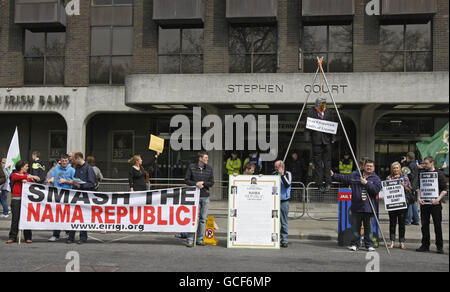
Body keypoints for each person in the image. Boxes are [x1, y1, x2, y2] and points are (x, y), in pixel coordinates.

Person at [331, 159, 382, 252]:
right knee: (355, 228)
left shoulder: (376, 179)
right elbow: (344, 178)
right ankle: (355, 244)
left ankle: (369, 245)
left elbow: (375, 190)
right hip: (356, 206)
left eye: (371, 166)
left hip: (369, 208)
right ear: (364, 166)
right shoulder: (355, 175)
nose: (369, 167)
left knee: (369, 228)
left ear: (374, 168)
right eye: (368, 166)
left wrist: (366, 183)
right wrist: (333, 175)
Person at [416, 156, 447, 254]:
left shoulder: (439, 174)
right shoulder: (422, 174)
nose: (424, 165)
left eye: (426, 163)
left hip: (435, 205)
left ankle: (439, 246)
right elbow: (419, 187)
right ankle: (425, 245)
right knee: (424, 225)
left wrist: (437, 199)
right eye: (424, 163)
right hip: (424, 204)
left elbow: (445, 190)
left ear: (432, 163)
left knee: (437, 226)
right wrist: (419, 198)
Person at [184, 151, 214, 247]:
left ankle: (200, 239)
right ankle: (190, 240)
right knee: (192, 218)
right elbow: (187, 180)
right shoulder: (191, 167)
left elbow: (212, 182)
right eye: (205, 158)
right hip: (193, 196)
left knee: (203, 219)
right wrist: (196, 183)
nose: (207, 160)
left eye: (207, 158)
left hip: (205, 196)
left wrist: (204, 183)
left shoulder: (209, 169)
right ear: (200, 159)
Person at [306, 97, 336, 193]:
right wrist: (307, 138)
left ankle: (328, 183)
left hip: (327, 141)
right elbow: (307, 126)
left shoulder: (329, 112)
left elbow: (332, 125)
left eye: (324, 104)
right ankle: (319, 184)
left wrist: (333, 137)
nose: (323, 105)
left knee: (327, 163)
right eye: (321, 104)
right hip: (317, 141)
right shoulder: (311, 112)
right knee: (318, 163)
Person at [66, 152, 97, 244]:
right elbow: (76, 179)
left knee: (83, 217)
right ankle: (71, 237)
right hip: (76, 194)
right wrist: (75, 183)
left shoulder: (89, 168)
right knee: (74, 216)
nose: (73, 161)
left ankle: (83, 237)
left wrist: (81, 185)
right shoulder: (78, 167)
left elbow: (92, 183)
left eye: (74, 159)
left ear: (78, 158)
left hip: (85, 195)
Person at [7, 160, 40, 244]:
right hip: (16, 200)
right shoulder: (14, 174)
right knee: (15, 219)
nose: (27, 168)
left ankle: (28, 237)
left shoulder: (28, 176)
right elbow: (16, 178)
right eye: (26, 166)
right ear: (21, 167)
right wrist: (27, 177)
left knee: (26, 218)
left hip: (26, 201)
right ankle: (12, 237)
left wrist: (29, 178)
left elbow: (34, 182)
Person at [46, 154, 75, 242]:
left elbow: (76, 182)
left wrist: (65, 181)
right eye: (62, 161)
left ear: (68, 161)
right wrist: (50, 180)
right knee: (57, 215)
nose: (64, 163)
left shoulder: (72, 170)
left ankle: (68, 233)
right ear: (60, 161)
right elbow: (54, 177)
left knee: (67, 214)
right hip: (57, 194)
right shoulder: (56, 168)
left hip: (67, 195)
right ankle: (56, 235)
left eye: (66, 161)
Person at [386, 162, 413, 250]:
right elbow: (386, 190)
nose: (396, 170)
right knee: (392, 223)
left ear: (400, 168)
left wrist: (403, 185)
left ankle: (402, 242)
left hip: (402, 203)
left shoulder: (404, 177)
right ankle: (392, 242)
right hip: (392, 204)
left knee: (402, 223)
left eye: (397, 168)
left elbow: (409, 189)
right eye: (394, 168)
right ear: (392, 169)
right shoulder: (389, 178)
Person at [273, 160, 292, 248]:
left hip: (284, 202)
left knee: (283, 222)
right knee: (273, 221)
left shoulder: (288, 174)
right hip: (274, 201)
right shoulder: (274, 174)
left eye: (277, 167)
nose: (275, 168)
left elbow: (287, 184)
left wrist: (282, 175)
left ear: (282, 167)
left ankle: (284, 240)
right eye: (275, 167)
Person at [401, 152, 420, 225]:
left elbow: (409, 175)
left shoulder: (410, 165)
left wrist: (404, 164)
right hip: (414, 185)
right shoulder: (415, 164)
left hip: (410, 186)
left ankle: (408, 220)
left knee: (408, 203)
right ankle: (416, 219)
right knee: (413, 202)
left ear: (408, 157)